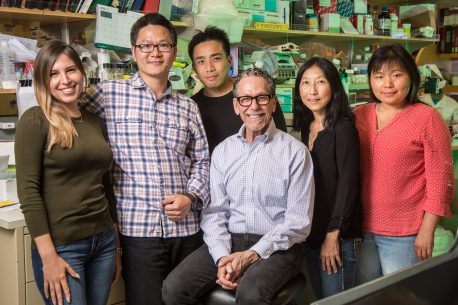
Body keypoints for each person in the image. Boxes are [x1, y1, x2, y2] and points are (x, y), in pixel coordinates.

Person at [78, 13, 210, 305]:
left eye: (163, 45)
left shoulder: (188, 107)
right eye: (146, 46)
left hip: (187, 230)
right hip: (137, 232)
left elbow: (203, 162)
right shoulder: (107, 94)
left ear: (174, 52)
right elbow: (65, 112)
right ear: (134, 51)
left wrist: (190, 196)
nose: (155, 53)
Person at [162, 68, 315, 305]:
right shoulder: (224, 151)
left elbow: (297, 222)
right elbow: (214, 213)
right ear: (236, 106)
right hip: (231, 239)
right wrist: (223, 257)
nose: (253, 106)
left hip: (280, 247)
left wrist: (251, 254)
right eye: (245, 99)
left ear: (273, 103)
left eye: (261, 98)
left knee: (251, 294)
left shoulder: (295, 152)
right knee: (174, 288)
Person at [15, 41, 121, 305]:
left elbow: (105, 183)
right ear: (43, 80)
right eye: (54, 73)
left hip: (104, 242)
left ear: (81, 73)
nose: (65, 80)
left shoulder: (94, 120)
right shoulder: (35, 119)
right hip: (63, 247)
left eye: (71, 70)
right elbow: (28, 192)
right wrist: (48, 257)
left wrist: (116, 244)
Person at [354, 44, 454, 284]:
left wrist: (427, 230)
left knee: (401, 296)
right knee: (364, 295)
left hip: (405, 232)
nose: (387, 84)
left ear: (411, 77)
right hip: (361, 229)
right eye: (379, 76)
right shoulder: (359, 115)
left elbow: (441, 179)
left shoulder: (427, 118)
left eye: (396, 75)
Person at [292, 57, 361, 298]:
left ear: (333, 86)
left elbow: (348, 187)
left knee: (336, 300)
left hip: (337, 237)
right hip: (312, 234)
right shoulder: (306, 126)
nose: (312, 91)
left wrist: (333, 236)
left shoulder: (343, 128)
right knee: (321, 299)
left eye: (320, 82)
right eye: (305, 83)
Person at [188, 26, 288, 153]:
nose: (209, 68)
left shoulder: (257, 95)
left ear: (229, 60)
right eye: (201, 61)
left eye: (216, 58)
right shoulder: (191, 107)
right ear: (194, 68)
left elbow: (282, 142)